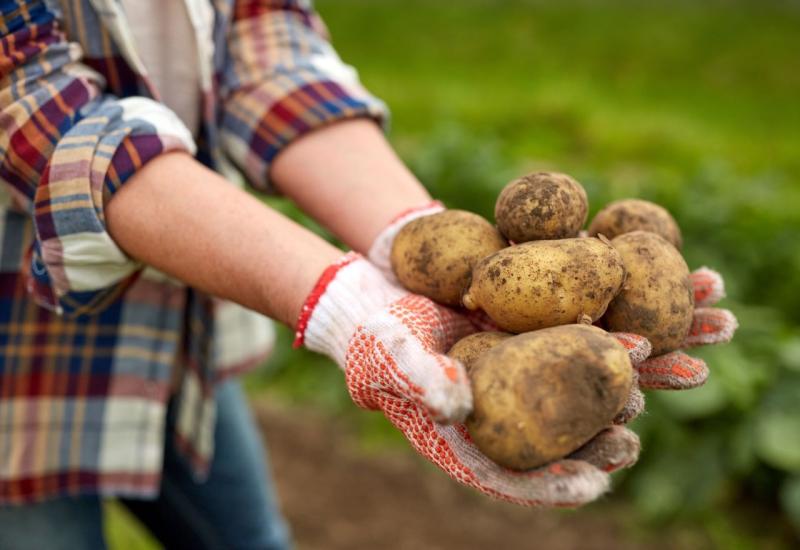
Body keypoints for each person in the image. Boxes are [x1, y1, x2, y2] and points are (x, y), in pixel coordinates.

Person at [0, 1, 738, 548]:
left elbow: (265, 41)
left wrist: (399, 238)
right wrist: (342, 303)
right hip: (23, 373)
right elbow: (36, 109)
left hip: (173, 339)